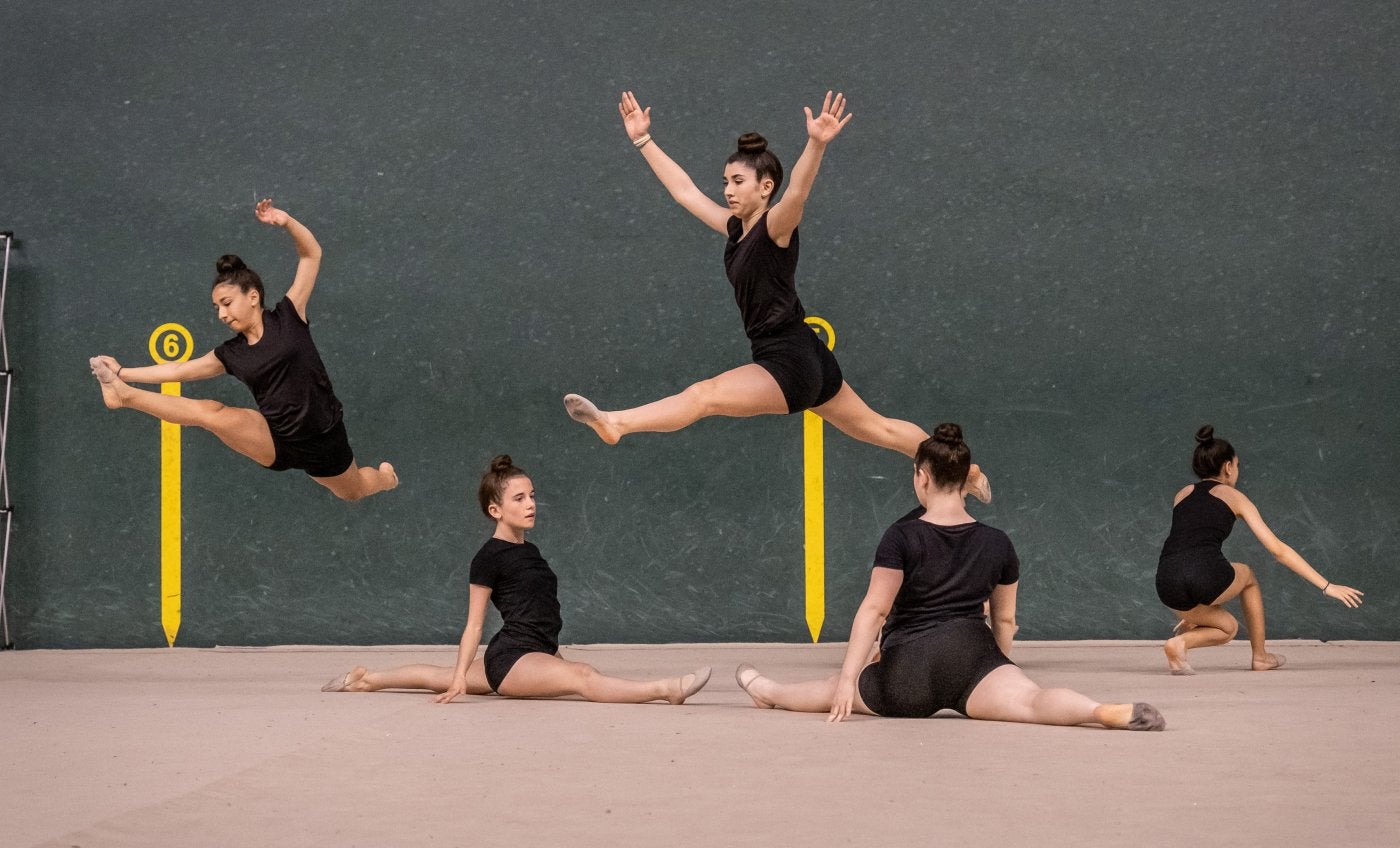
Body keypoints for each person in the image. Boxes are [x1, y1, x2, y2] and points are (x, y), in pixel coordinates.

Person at [564, 90, 991, 503]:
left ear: (765, 186)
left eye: (738, 181)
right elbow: (685, 192)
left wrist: (816, 143)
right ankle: (966, 471)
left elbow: (798, 193)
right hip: (808, 354)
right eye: (725, 181)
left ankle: (617, 423)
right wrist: (643, 140)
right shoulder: (735, 228)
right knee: (881, 429)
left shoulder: (776, 227)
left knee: (703, 396)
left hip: (787, 360)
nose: (728, 190)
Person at [735, 424, 1164, 730]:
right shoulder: (998, 542)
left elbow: (875, 610)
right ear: (964, 482)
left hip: (908, 673)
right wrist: (996, 666)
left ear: (921, 477)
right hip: (972, 658)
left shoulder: (902, 536)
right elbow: (1005, 620)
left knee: (830, 687)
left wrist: (847, 681)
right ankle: (1098, 711)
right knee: (1033, 701)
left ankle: (767, 690)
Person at [322, 455, 712, 705]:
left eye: (532, 496)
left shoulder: (530, 550)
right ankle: (666, 690)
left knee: (438, 676)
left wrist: (456, 677)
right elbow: (474, 625)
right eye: (519, 499)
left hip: (535, 649)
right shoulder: (488, 557)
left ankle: (366, 680)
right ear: (496, 510)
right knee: (583, 676)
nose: (530, 504)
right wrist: (459, 680)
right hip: (511, 658)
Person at [88, 199, 397, 501]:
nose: (222, 314)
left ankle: (385, 479)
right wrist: (122, 373)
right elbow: (177, 370)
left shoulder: (289, 316)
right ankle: (124, 395)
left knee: (354, 491)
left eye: (226, 303)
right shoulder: (230, 354)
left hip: (325, 440)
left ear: (252, 296)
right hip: (276, 440)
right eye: (216, 308)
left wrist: (286, 222)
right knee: (212, 414)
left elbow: (311, 255)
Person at [1154, 425, 1363, 674]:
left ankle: (1179, 644)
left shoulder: (1182, 494)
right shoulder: (1234, 496)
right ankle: (1260, 657)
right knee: (1249, 577)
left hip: (1166, 581)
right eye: (1237, 465)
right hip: (1203, 575)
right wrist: (1327, 586)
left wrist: (1192, 613)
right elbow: (1278, 550)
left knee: (1228, 628)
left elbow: (1187, 544)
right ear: (1228, 467)